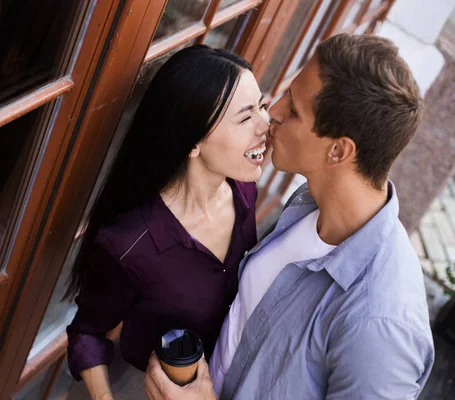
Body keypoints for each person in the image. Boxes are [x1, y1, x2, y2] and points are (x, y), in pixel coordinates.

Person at [144, 33, 435, 400]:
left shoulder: (380, 327)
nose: (273, 114)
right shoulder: (307, 203)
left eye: (294, 110)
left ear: (338, 151)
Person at [64, 45, 270, 400]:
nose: (266, 124)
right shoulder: (130, 244)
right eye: (245, 116)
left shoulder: (244, 192)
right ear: (193, 143)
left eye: (262, 106)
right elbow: (87, 332)